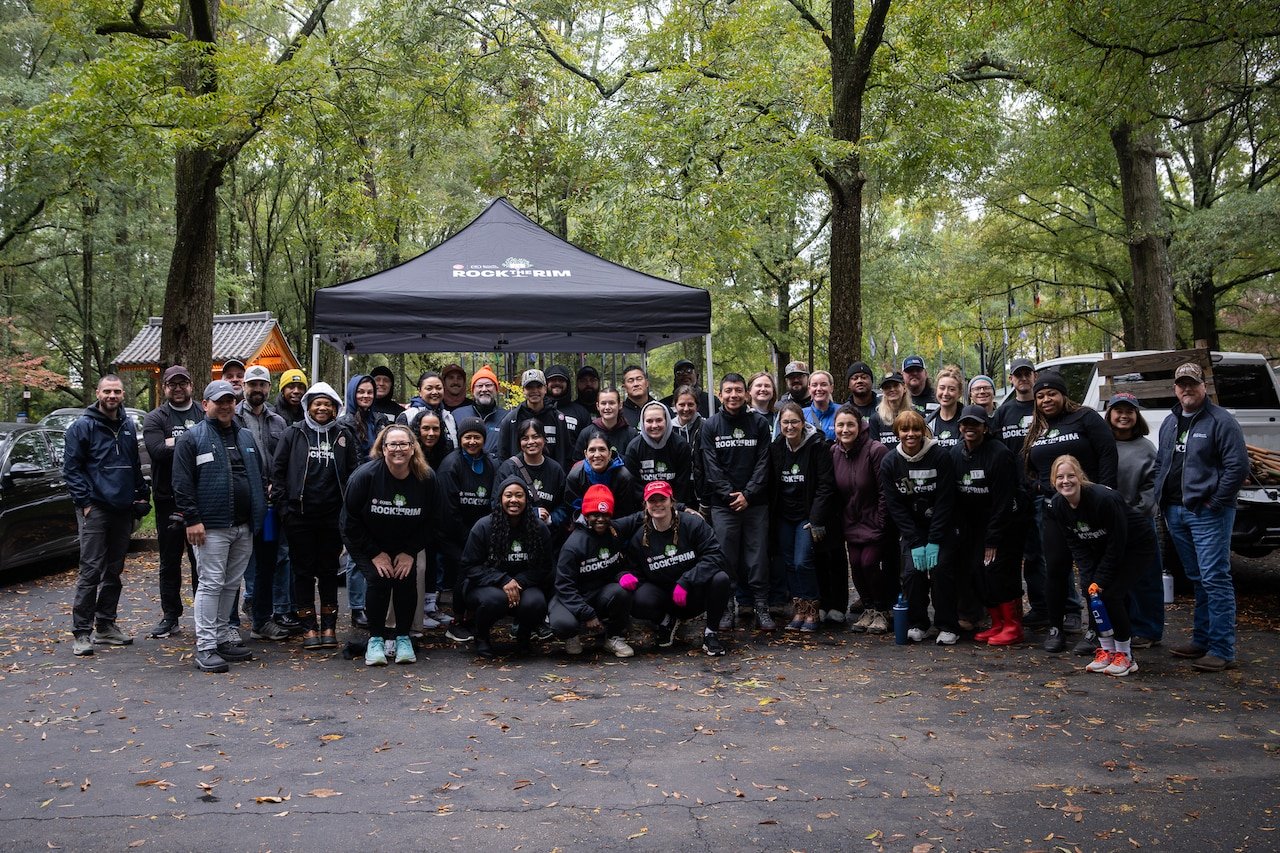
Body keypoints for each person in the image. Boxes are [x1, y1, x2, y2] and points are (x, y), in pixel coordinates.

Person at [1154, 362, 1249, 672]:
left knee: (1214, 577)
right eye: (1181, 384)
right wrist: (1161, 502)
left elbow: (1237, 467)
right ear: (1175, 389)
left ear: (1203, 386)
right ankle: (1202, 639)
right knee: (1196, 578)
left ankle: (1223, 649)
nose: (1186, 389)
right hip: (1175, 510)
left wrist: (1216, 502)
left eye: (1192, 383)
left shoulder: (1221, 421)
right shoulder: (1170, 422)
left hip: (1207, 512)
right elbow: (1161, 464)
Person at [171, 379, 265, 673]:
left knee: (231, 584)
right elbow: (182, 484)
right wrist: (193, 519)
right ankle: (206, 646)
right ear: (205, 404)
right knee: (211, 583)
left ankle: (223, 637)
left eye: (230, 401)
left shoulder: (246, 437)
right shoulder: (192, 438)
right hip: (209, 526)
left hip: (243, 525)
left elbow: (258, 477)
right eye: (219, 401)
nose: (226, 406)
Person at [1023, 370, 1117, 651]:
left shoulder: (1085, 418)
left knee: (1093, 572)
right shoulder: (1036, 428)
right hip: (1054, 510)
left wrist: (1106, 494)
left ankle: (1095, 629)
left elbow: (1107, 454)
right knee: (1056, 568)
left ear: (1063, 395)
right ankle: (1056, 627)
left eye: (1051, 393)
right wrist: (1040, 488)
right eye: (1040, 395)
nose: (1046, 399)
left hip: (1090, 507)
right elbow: (1028, 466)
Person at [342, 423, 446, 666]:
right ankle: (375, 639)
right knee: (379, 579)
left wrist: (410, 552)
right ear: (383, 448)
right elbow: (349, 522)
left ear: (413, 448)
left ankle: (402, 637)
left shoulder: (426, 477)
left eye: (404, 444)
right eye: (392, 444)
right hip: (366, 540)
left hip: (405, 541)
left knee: (405, 579)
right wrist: (375, 554)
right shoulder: (365, 476)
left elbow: (435, 520)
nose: (398, 449)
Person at [63, 374, 150, 656]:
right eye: (107, 391)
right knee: (91, 570)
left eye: (117, 392)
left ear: (124, 395)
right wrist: (85, 503)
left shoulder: (127, 425)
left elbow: (133, 463)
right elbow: (72, 469)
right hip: (96, 508)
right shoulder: (82, 427)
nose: (112, 396)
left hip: (123, 508)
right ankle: (82, 632)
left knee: (114, 570)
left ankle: (106, 625)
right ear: (97, 393)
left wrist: (141, 494)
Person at [1045, 455, 1155, 676]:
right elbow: (1076, 543)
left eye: (1070, 476)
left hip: (1134, 546)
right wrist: (1089, 579)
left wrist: (1101, 579)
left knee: (1112, 594)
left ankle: (1125, 655)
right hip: (1100, 547)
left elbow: (1117, 544)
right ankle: (1106, 650)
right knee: (1092, 594)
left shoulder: (1104, 499)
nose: (1065, 481)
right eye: (1060, 477)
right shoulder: (1058, 504)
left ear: (1080, 477)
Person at [271, 382, 359, 650]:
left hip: (332, 517)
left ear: (335, 408)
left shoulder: (344, 435)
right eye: (317, 403)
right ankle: (309, 627)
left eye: (327, 404)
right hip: (299, 516)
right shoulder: (293, 433)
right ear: (308, 406)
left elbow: (354, 474)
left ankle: (329, 626)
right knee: (303, 572)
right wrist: (284, 510)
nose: (322, 408)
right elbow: (278, 472)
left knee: (329, 572)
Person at [621, 480, 732, 656]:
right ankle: (666, 622)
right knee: (636, 597)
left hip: (693, 591)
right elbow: (633, 570)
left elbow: (715, 556)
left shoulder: (693, 524)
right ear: (646, 505)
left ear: (672, 501)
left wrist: (687, 581)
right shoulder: (640, 536)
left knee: (721, 579)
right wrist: (625, 575)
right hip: (665, 598)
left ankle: (711, 633)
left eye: (662, 499)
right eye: (652, 501)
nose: (657, 505)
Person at [880, 409, 959, 644]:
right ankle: (918, 623)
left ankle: (947, 625)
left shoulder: (940, 456)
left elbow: (946, 500)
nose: (911, 434)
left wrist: (934, 540)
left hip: (941, 527)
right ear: (897, 433)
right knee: (912, 573)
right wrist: (914, 541)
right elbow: (895, 506)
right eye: (905, 430)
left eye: (916, 429)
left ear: (923, 431)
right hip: (912, 530)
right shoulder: (890, 462)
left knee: (941, 569)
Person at [702, 373, 773, 631]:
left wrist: (749, 494)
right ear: (720, 394)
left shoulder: (759, 423)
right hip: (724, 505)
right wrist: (731, 495)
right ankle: (726, 607)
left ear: (746, 394)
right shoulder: (710, 425)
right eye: (728, 390)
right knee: (725, 558)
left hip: (756, 503)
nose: (733, 395)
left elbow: (765, 462)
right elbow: (710, 466)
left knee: (758, 558)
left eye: (738, 390)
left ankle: (761, 606)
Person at [461, 475, 553, 659]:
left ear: (526, 500)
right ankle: (482, 637)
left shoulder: (539, 528)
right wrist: (502, 580)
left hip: (523, 584)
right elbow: (469, 566)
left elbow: (545, 567)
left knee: (535, 602)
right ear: (500, 499)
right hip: (485, 585)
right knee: (495, 599)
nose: (514, 500)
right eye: (508, 495)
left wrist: (517, 582)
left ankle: (524, 636)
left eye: (519, 495)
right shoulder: (484, 526)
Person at [952, 405, 1022, 645]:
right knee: (978, 573)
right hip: (972, 529)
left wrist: (993, 538)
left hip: (1002, 526)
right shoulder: (955, 453)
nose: (969, 428)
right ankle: (997, 623)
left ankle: (1013, 626)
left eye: (975, 424)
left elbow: (1004, 501)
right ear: (959, 427)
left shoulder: (999, 454)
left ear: (985, 427)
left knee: (999, 573)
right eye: (965, 424)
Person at [142, 365, 202, 639]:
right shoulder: (156, 417)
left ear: (191, 385)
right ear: (164, 388)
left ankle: (204, 614)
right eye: (172, 384)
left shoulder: (202, 412)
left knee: (201, 561)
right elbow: (157, 452)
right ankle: (171, 616)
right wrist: (193, 444)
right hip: (167, 500)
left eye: (183, 383)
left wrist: (175, 443)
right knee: (169, 561)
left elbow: (211, 445)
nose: (178, 388)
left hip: (201, 498)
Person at [769, 402, 837, 632]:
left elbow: (826, 486)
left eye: (794, 422)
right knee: (789, 563)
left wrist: (816, 518)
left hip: (807, 516)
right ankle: (798, 608)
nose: (790, 426)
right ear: (780, 424)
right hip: (784, 515)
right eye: (785, 422)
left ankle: (812, 609)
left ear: (802, 422)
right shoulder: (777, 446)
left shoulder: (817, 445)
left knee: (802, 562)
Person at [549, 484, 636, 658]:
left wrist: (680, 508)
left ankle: (612, 637)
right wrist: (587, 614)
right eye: (595, 514)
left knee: (622, 592)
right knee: (562, 624)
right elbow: (564, 587)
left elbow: (642, 516)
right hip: (572, 597)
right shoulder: (573, 545)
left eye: (605, 514)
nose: (601, 519)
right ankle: (572, 636)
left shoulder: (613, 531)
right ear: (586, 514)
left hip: (599, 594)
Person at [1106, 392, 1164, 649]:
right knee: (1115, 578)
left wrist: (1133, 514)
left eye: (1129, 411)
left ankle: (1148, 629)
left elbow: (1152, 486)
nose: (1123, 415)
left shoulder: (1146, 448)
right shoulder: (1103, 444)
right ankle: (1123, 627)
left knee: (1145, 578)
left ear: (1136, 416)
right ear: (1109, 415)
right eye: (1118, 410)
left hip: (1139, 523)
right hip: (1108, 524)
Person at [992, 357, 1046, 628]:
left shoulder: (1045, 405)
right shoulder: (1004, 411)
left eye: (1027, 374)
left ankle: (1065, 609)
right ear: (1011, 379)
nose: (1023, 379)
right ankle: (1037, 607)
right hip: (1017, 493)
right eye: (1018, 375)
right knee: (1028, 553)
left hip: (1045, 490)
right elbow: (998, 452)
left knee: (1051, 552)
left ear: (1034, 377)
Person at [237, 365, 290, 642]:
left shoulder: (278, 422)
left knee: (268, 561)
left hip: (269, 507)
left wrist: (276, 487)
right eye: (252, 384)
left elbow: (282, 462)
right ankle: (230, 624)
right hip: (242, 505)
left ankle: (262, 620)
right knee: (238, 562)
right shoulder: (232, 418)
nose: (257, 390)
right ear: (244, 386)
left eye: (262, 385)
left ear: (269, 388)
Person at [435, 417, 499, 640]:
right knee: (465, 572)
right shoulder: (450, 465)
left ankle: (474, 618)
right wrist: (470, 539)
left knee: (480, 574)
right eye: (467, 437)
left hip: (481, 533)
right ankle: (457, 621)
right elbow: (448, 510)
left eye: (477, 437)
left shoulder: (491, 463)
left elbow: (494, 499)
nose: (472, 441)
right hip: (454, 534)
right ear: (460, 439)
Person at [831, 403, 891, 634]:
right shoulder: (834, 452)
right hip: (851, 522)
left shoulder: (876, 450)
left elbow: (885, 491)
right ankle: (867, 608)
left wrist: (882, 522)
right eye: (840, 425)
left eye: (850, 424)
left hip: (876, 521)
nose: (845, 430)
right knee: (855, 565)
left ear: (860, 426)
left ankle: (881, 610)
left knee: (869, 563)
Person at [340, 374, 391, 630]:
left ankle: (374, 603)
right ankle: (357, 607)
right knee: (356, 555)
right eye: (361, 392)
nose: (366, 396)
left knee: (377, 548)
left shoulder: (380, 420)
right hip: (357, 491)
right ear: (352, 393)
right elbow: (352, 461)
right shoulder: (345, 423)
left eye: (369, 392)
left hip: (380, 490)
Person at [496, 419, 569, 542]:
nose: (531, 442)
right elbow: (496, 504)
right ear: (519, 442)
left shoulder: (555, 469)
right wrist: (533, 514)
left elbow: (564, 505)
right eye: (525, 438)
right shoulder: (508, 468)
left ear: (544, 439)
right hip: (515, 537)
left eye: (536, 437)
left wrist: (551, 519)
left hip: (547, 537)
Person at [624, 400, 693, 506]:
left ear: (667, 421)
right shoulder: (634, 448)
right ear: (642, 422)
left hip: (675, 506)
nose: (654, 425)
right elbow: (634, 486)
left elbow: (682, 484)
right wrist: (652, 506)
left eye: (659, 420)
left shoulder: (681, 446)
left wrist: (672, 508)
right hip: (644, 507)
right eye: (649, 421)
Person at [497, 369, 569, 467]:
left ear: (545, 388)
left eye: (538, 386)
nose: (534, 391)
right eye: (529, 387)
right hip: (519, 478)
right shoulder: (511, 419)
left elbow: (566, 453)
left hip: (552, 477)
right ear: (523, 390)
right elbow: (503, 455)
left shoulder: (558, 418)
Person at [567, 434, 641, 519]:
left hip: (616, 525)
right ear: (585, 454)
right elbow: (573, 510)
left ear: (610, 453)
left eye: (602, 449)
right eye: (592, 450)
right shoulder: (575, 476)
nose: (597, 455)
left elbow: (626, 513)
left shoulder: (624, 478)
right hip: (585, 525)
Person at [450, 364, 507, 464]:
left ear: (496, 389)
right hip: (464, 472)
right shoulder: (457, 415)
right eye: (479, 386)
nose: (484, 389)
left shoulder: (507, 417)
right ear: (473, 390)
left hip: (497, 474)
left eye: (489, 385)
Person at [574, 386, 637, 460]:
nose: (607, 407)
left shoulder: (631, 434)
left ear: (620, 405)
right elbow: (577, 463)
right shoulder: (586, 433)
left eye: (611, 403)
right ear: (598, 406)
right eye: (603, 403)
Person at [671, 385, 706, 510]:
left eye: (690, 404)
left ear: (697, 406)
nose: (686, 409)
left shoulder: (706, 427)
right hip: (677, 491)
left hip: (700, 491)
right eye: (681, 405)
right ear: (675, 406)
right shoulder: (667, 430)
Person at [403, 371, 458, 447]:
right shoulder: (408, 416)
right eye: (429, 388)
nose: (435, 392)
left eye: (439, 388)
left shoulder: (448, 417)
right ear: (420, 391)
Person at [545, 364, 591, 449]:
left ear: (568, 384)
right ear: (545, 384)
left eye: (561, 380)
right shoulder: (538, 411)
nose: (557, 383)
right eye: (553, 380)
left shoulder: (581, 412)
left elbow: (589, 444)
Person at [867, 373, 910, 450]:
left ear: (904, 388)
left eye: (896, 385)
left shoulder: (915, 415)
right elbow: (874, 450)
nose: (892, 389)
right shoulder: (875, 419)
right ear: (883, 391)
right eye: (887, 387)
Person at [926, 366, 964, 450]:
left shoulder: (967, 420)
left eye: (951, 389)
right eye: (942, 388)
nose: (945, 393)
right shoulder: (928, 423)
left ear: (960, 392)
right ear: (936, 390)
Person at [802, 371, 838, 441]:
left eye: (823, 385)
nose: (818, 389)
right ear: (809, 389)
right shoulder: (802, 414)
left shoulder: (842, 412)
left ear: (831, 388)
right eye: (814, 385)